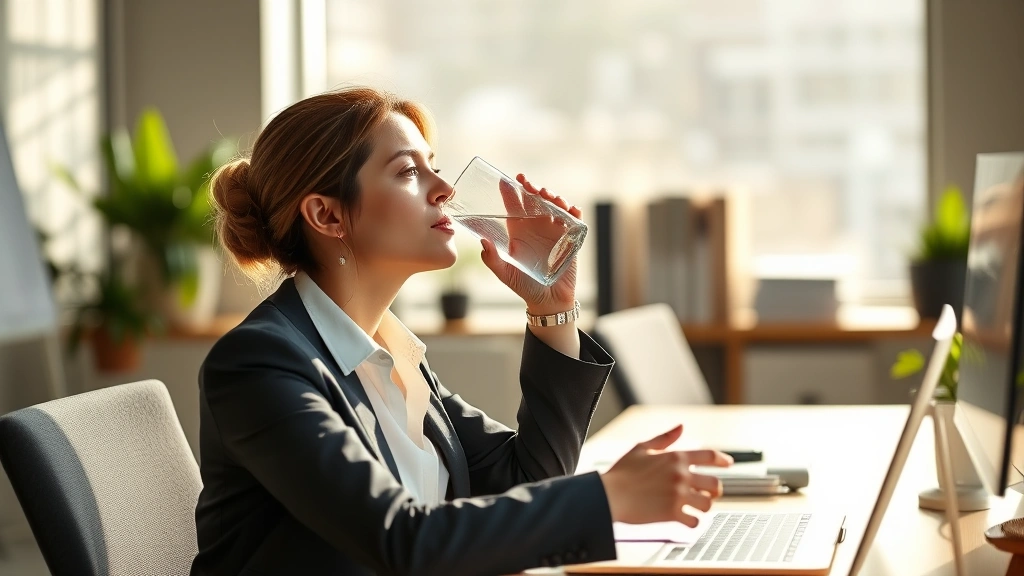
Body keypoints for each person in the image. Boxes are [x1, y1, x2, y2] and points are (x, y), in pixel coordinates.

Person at [190, 86, 732, 576]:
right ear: (327, 216)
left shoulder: (392, 356)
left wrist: (551, 308)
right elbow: (402, 540)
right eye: (408, 172)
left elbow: (531, 476)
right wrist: (607, 498)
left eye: (434, 167)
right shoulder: (259, 364)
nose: (445, 188)